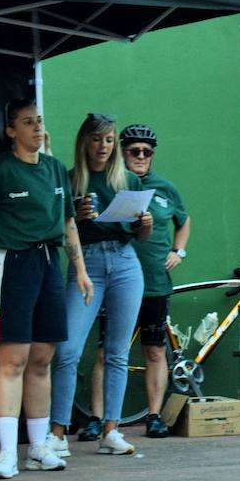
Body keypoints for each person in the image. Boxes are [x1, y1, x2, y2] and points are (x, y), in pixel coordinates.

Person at [0, 99, 92, 479]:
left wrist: (80, 271)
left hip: (50, 263)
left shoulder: (54, 169)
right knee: (12, 360)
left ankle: (38, 447)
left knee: (41, 359)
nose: (36, 128)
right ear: (10, 130)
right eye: (27, 123)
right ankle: (6, 453)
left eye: (39, 121)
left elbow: (68, 222)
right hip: (11, 264)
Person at [46, 113, 152, 460]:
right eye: (96, 139)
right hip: (86, 262)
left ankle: (112, 430)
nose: (103, 147)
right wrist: (75, 216)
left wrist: (144, 223)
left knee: (118, 352)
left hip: (124, 261)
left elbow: (141, 236)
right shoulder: (71, 178)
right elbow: (59, 228)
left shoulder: (128, 181)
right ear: (84, 142)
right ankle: (58, 432)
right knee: (68, 350)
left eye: (108, 140)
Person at [80, 124, 190, 439]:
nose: (141, 156)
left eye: (147, 152)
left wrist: (178, 252)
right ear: (121, 152)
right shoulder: (111, 184)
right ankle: (97, 418)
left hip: (154, 283)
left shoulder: (165, 188)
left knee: (154, 351)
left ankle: (154, 417)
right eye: (134, 151)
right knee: (106, 351)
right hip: (115, 280)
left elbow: (184, 221)